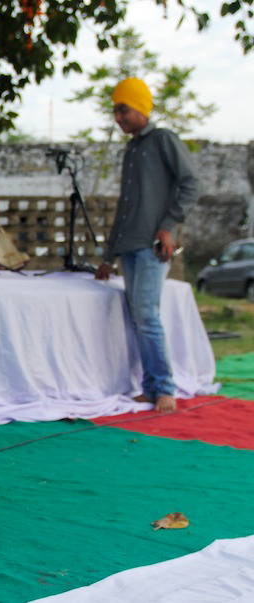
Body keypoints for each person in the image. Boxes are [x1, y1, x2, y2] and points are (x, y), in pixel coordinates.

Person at [95, 77, 200, 414]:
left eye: (123, 110)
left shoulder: (163, 139)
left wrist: (169, 226)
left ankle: (165, 387)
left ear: (141, 107)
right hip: (128, 247)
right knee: (138, 318)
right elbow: (125, 207)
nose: (118, 118)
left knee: (147, 315)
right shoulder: (132, 149)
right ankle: (151, 387)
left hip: (152, 246)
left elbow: (191, 183)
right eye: (115, 111)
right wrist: (109, 256)